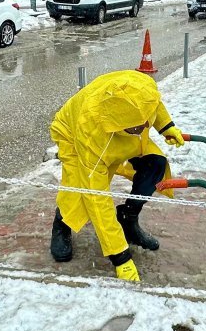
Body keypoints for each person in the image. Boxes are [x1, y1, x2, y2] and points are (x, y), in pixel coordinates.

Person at [49, 70, 183, 282]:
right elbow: (97, 198)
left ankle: (128, 219)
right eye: (136, 127)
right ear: (119, 123)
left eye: (145, 123)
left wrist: (167, 127)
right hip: (74, 133)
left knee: (155, 165)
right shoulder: (91, 133)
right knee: (79, 190)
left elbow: (152, 105)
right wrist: (120, 256)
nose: (143, 128)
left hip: (120, 138)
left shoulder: (140, 90)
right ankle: (62, 224)